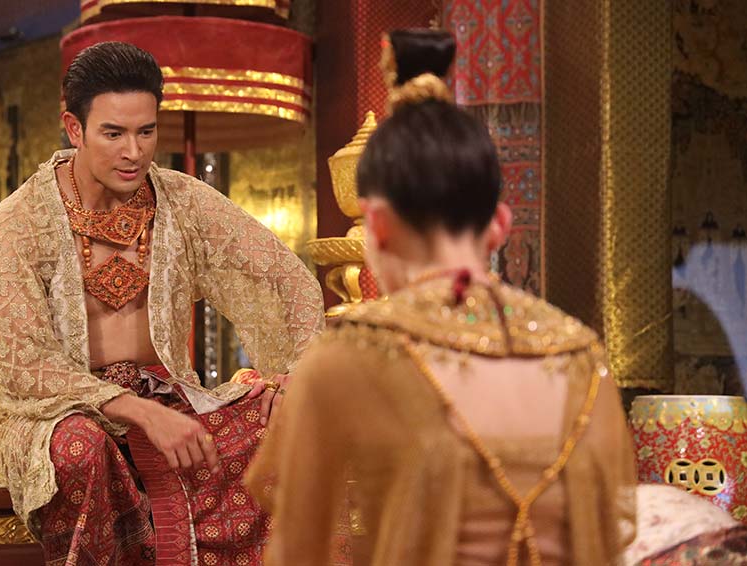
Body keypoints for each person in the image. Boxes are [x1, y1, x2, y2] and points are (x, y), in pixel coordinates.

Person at [245, 29, 636, 566]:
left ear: (376, 226)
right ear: (498, 226)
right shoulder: (581, 357)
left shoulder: (348, 357)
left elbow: (297, 553)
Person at [0, 41, 323, 565]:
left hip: (169, 399)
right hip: (60, 415)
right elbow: (21, 364)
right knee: (80, 450)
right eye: (113, 133)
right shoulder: (19, 222)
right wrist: (135, 412)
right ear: (74, 128)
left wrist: (296, 375)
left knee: (291, 421)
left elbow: (287, 281)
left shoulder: (183, 201)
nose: (134, 152)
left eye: (146, 131)